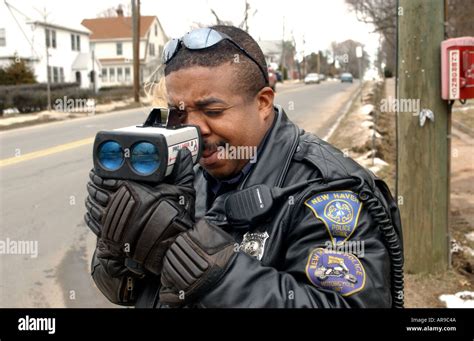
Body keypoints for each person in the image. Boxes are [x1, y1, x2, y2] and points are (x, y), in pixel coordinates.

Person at [84, 25, 404, 308]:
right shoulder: (181, 171)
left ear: (263, 103)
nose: (193, 129)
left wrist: (217, 274)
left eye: (212, 110)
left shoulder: (325, 191)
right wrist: (118, 252)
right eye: (178, 111)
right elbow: (126, 293)